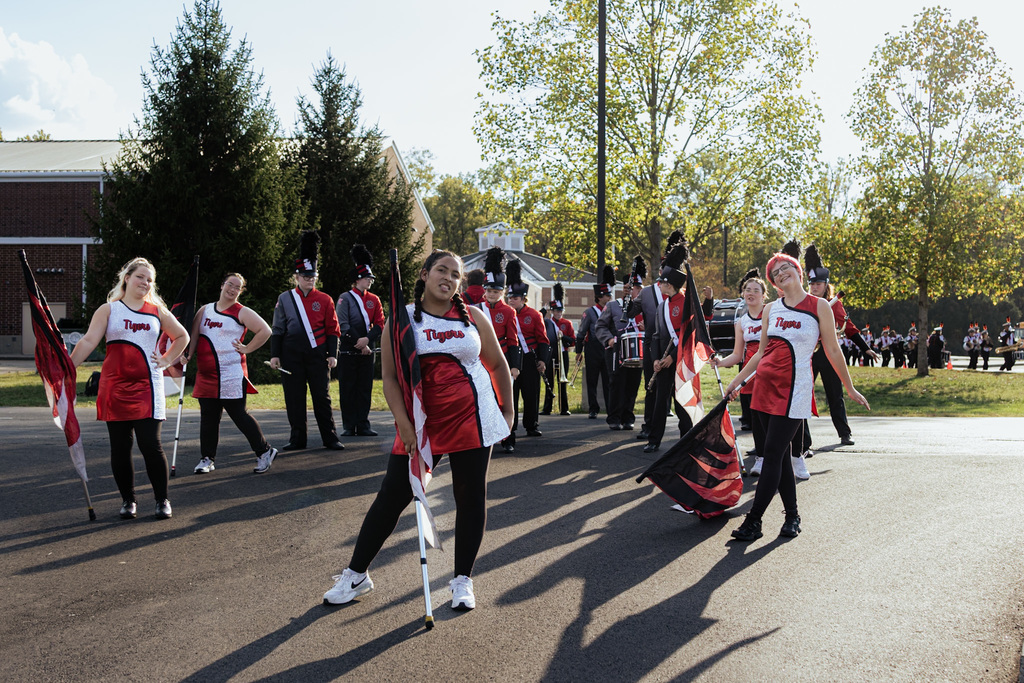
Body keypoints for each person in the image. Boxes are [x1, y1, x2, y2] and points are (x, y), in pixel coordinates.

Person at [322, 249, 514, 611]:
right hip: (422, 423)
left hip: (473, 417)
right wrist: (405, 426)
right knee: (392, 495)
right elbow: (391, 380)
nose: (449, 278)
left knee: (470, 497)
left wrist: (508, 413)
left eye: (455, 274)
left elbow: (498, 365)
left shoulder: (473, 317)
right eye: (442, 270)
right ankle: (356, 575)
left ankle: (462, 581)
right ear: (424, 274)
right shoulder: (402, 319)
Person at [725, 249, 869, 542]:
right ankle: (792, 517)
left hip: (795, 391)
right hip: (763, 388)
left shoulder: (820, 306)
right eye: (775, 272)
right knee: (778, 458)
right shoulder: (770, 310)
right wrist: (738, 382)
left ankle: (754, 521)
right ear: (774, 283)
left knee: (774, 455)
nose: (780, 273)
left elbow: (832, 349)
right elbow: (760, 353)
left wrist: (849, 386)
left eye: (784, 267)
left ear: (797, 270)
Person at [70, 257, 190, 520]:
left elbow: (182, 336)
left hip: (149, 387)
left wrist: (168, 359)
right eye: (140, 277)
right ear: (126, 277)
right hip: (114, 388)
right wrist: (67, 370)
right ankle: (128, 501)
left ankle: (162, 500)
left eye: (149, 280)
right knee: (120, 449)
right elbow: (89, 341)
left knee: (151, 445)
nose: (145, 283)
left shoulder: (157, 311)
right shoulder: (109, 310)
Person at [185, 272, 277, 475]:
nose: (232, 289)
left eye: (238, 287)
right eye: (230, 284)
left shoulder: (241, 312)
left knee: (239, 415)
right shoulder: (205, 310)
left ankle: (264, 451)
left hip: (230, 374)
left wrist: (247, 348)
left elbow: (265, 330)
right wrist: (188, 355)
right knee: (209, 417)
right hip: (206, 374)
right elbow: (194, 334)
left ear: (240, 291)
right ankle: (207, 458)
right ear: (222, 285)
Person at [269, 231, 344, 451]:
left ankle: (330, 438)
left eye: (312, 276)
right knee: (294, 397)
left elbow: (333, 329)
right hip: (291, 354)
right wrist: (275, 355)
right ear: (296, 277)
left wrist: (332, 354)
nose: (309, 280)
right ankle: (297, 439)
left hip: (318, 354)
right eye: (304, 276)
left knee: (322, 397)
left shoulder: (325, 299)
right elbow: (278, 328)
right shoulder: (285, 298)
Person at [804, 244, 877, 448]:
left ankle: (844, 433)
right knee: (802, 396)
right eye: (811, 283)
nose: (814, 287)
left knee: (835, 394)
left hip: (828, 353)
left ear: (826, 285)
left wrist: (865, 348)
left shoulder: (833, 304)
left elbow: (850, 328)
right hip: (808, 354)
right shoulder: (804, 303)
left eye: (818, 283)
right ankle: (804, 442)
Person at [711, 268, 768, 474]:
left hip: (770, 370)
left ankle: (790, 456)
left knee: (773, 417)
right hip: (749, 374)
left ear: (763, 295)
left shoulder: (771, 314)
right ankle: (761, 458)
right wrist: (719, 362)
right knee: (755, 419)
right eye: (747, 289)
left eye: (755, 290)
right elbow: (737, 355)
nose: (750, 293)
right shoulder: (741, 322)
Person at [475, 247, 522, 452]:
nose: (492, 294)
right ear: (484, 290)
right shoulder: (476, 309)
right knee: (484, 400)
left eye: (496, 291)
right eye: (489, 291)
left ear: (502, 292)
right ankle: (485, 436)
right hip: (480, 362)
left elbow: (513, 340)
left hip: (502, 360)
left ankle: (508, 438)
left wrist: (515, 366)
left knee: (506, 400)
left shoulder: (508, 311)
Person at [637, 232, 683, 441]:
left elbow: (688, 333)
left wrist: (671, 357)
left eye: (663, 282)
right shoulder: (663, 306)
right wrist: (656, 358)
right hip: (662, 359)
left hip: (679, 358)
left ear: (670, 285)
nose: (660, 285)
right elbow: (656, 335)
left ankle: (685, 440)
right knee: (658, 400)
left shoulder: (686, 302)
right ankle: (654, 439)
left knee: (681, 402)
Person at [336, 245, 385, 437]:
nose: (370, 281)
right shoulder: (345, 298)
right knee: (348, 388)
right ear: (357, 279)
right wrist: (359, 342)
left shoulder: (375, 299)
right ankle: (349, 425)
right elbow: (343, 325)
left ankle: (363, 424)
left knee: (365, 388)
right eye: (367, 278)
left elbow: (380, 324)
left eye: (371, 278)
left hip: (367, 349)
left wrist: (367, 341)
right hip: (350, 349)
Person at [595, 259, 645, 431]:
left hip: (638, 350)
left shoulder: (645, 308)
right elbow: (600, 325)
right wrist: (608, 339)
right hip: (616, 350)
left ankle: (628, 417)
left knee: (633, 383)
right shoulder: (613, 305)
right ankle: (614, 417)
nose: (636, 291)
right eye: (633, 287)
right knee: (617, 383)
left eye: (639, 288)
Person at [507, 259, 550, 440]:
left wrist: (542, 360)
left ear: (523, 298)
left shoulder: (534, 315)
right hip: (511, 358)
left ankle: (531, 424)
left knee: (531, 393)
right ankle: (511, 427)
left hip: (529, 358)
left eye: (515, 298)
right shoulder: (505, 313)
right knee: (511, 394)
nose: (511, 301)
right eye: (509, 298)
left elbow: (543, 339)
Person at [576, 266, 615, 418]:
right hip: (592, 348)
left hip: (606, 347)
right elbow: (581, 332)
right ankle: (593, 408)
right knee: (592, 380)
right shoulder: (590, 312)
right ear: (599, 297)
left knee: (608, 380)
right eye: (607, 296)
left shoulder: (611, 310)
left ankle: (610, 408)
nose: (609, 298)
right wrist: (579, 351)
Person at [543, 283, 574, 416]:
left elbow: (572, 340)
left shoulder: (566, 324)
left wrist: (563, 337)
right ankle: (547, 407)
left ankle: (564, 408)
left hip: (563, 353)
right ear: (552, 311)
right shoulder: (547, 322)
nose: (558, 313)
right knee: (549, 381)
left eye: (560, 311)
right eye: (556, 311)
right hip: (550, 354)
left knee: (562, 381)